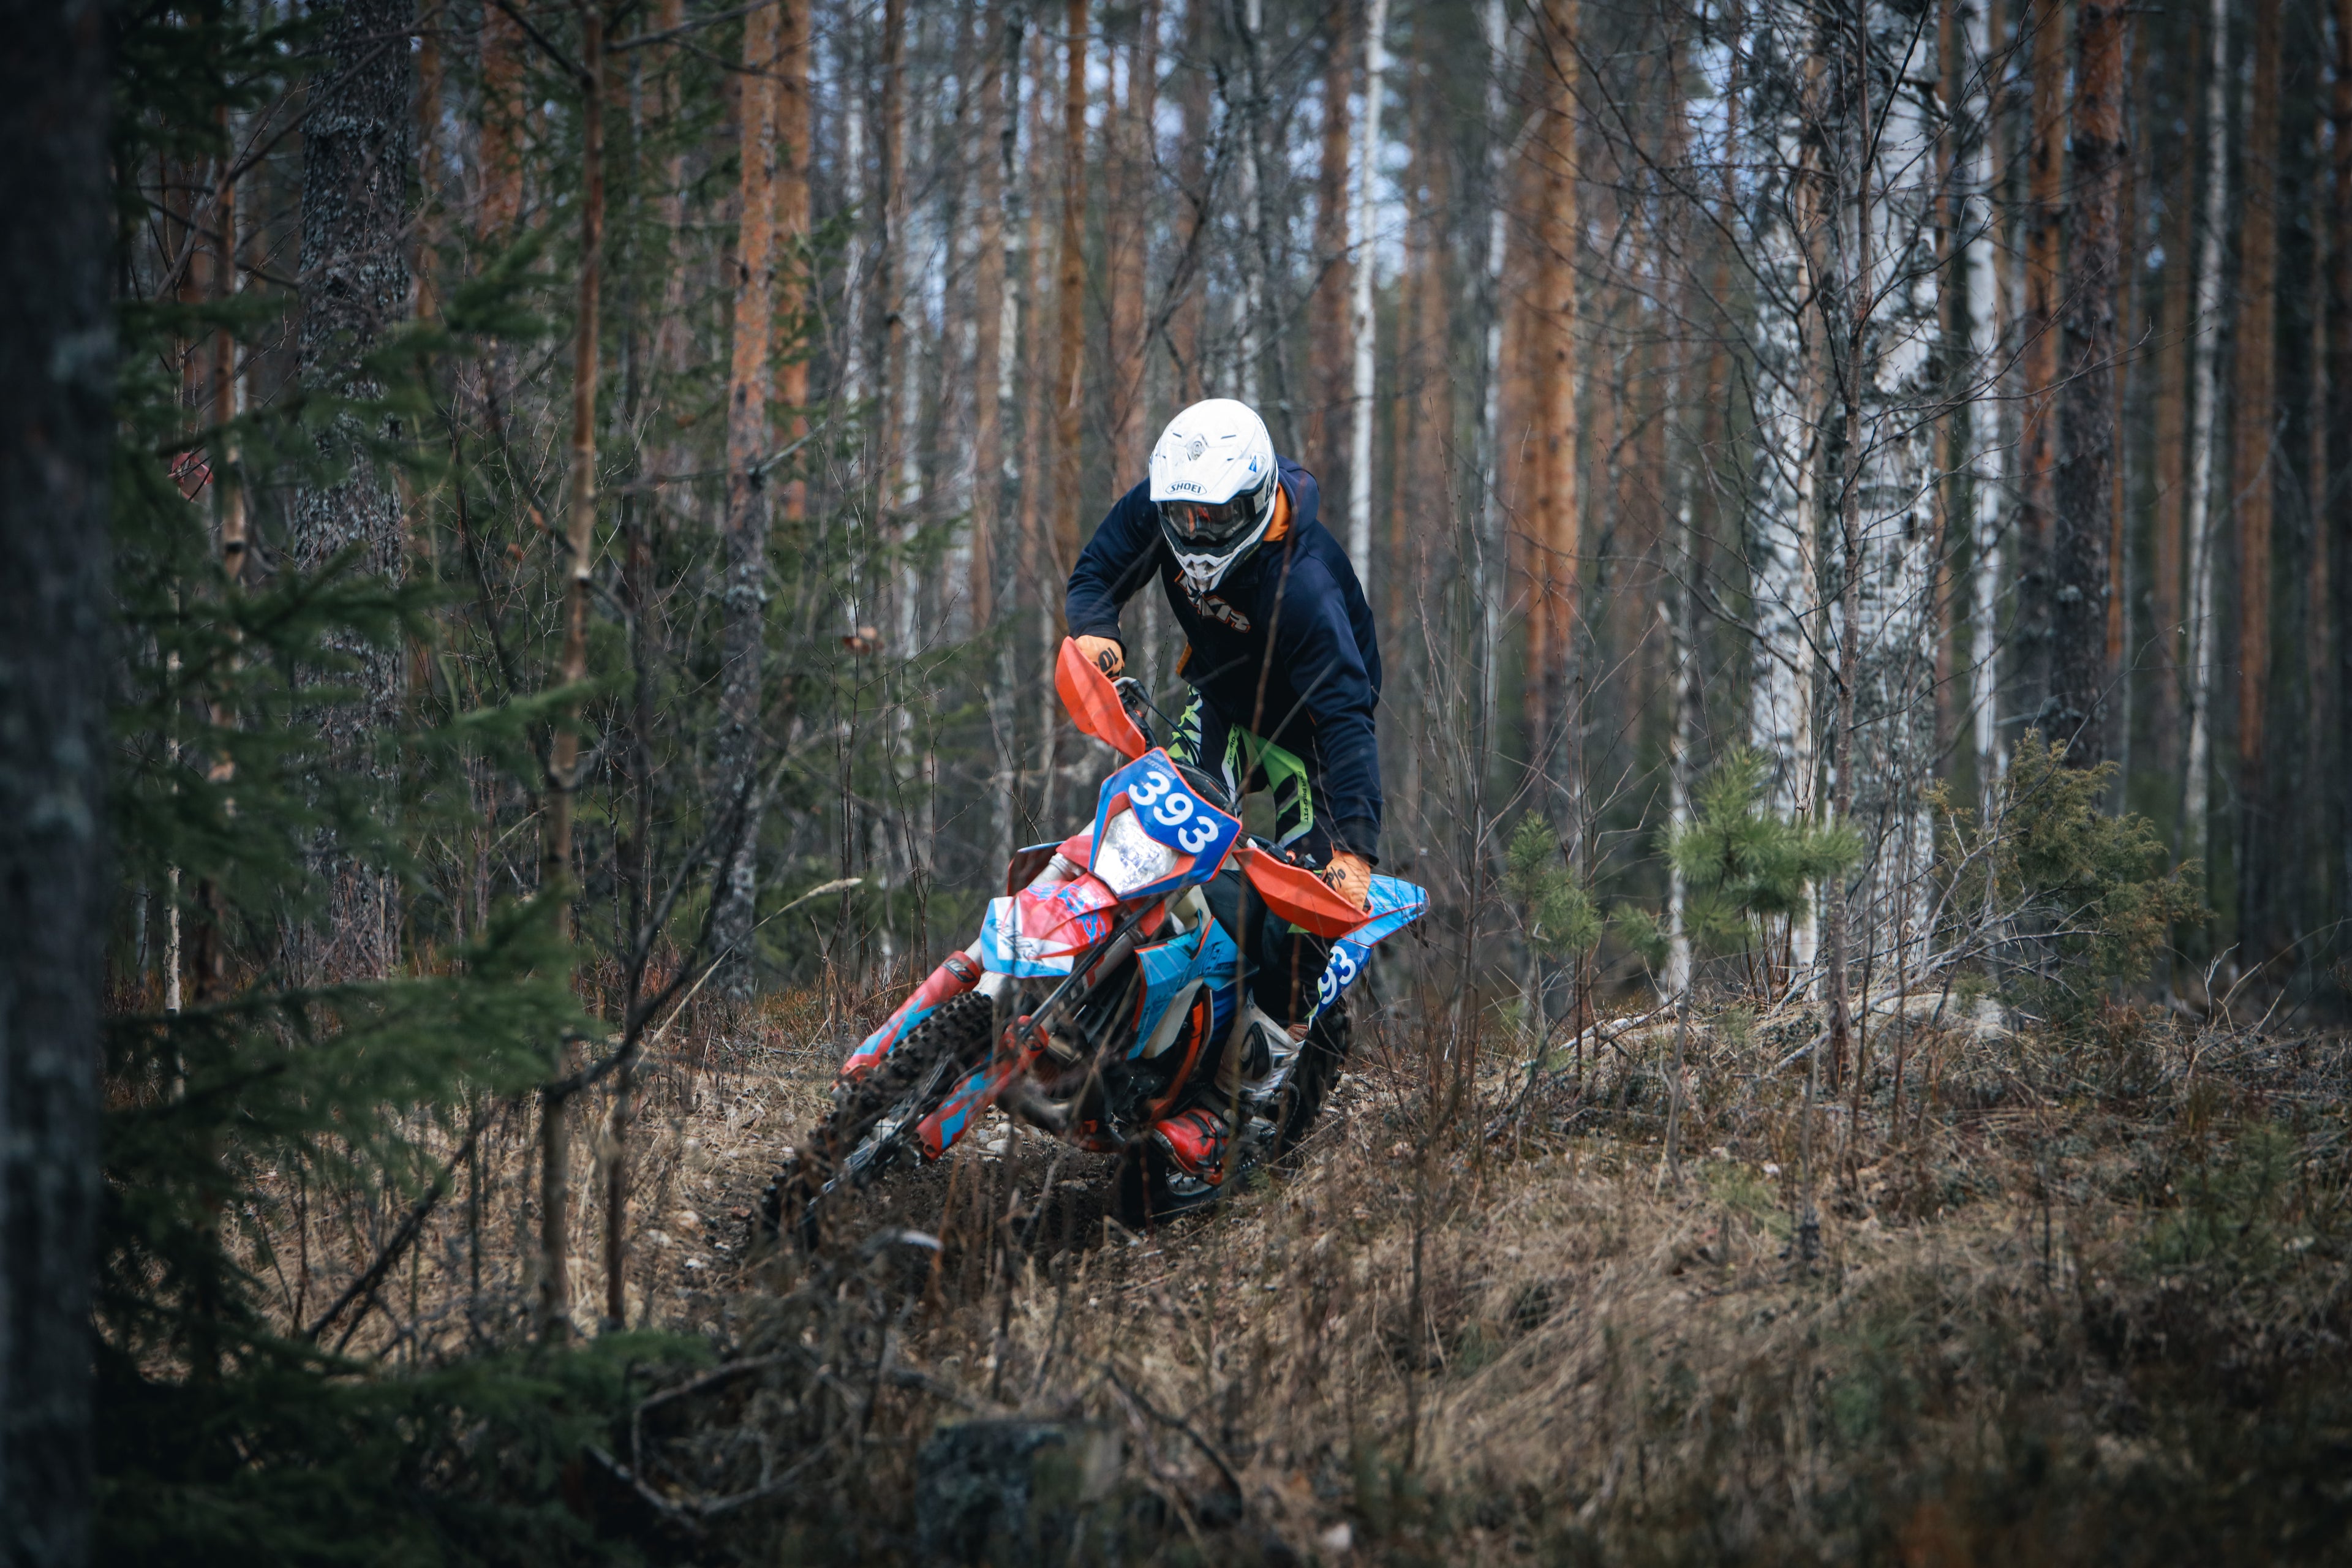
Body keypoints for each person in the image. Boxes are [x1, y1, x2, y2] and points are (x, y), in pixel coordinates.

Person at [1064, 397, 1384, 1191]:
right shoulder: (1164, 505)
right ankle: (1108, 999)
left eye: (1217, 518)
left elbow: (1348, 718)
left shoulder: (1304, 584)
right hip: (1223, 698)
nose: (1199, 532)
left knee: (1304, 912)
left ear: (1257, 499)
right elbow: (1098, 571)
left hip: (1309, 733)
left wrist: (1354, 849)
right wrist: (1096, 628)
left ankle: (1236, 1103)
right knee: (1150, 826)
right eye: (1187, 517)